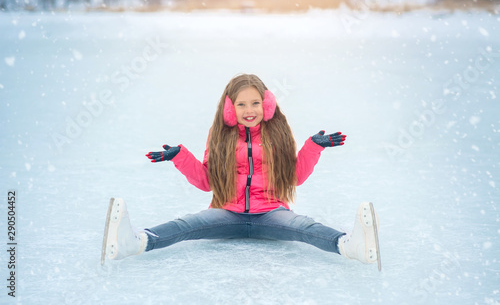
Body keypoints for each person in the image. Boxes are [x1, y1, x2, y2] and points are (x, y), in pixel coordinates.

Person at [102, 74, 381, 269]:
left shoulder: (278, 133)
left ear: (267, 104)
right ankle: (136, 242)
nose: (249, 110)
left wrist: (313, 147)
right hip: (228, 212)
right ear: (229, 108)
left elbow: (294, 177)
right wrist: (180, 157)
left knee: (305, 227)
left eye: (256, 103)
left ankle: (350, 246)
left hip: (271, 213)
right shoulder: (220, 136)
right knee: (187, 225)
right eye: (241, 104)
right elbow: (206, 181)